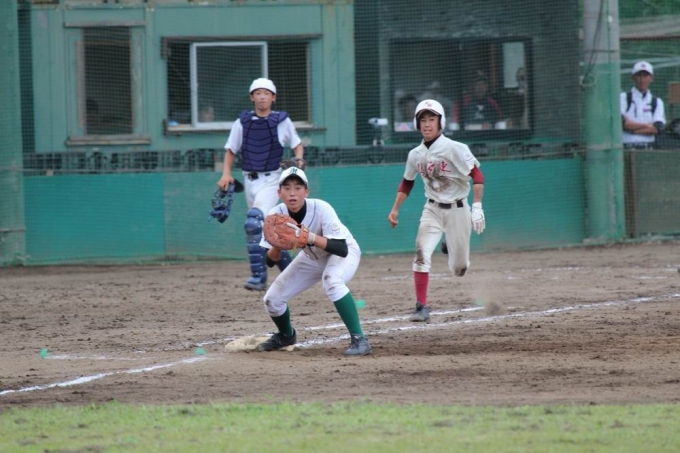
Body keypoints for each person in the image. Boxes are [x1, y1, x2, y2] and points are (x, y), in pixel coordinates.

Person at [387, 99, 486, 322]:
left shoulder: (455, 148)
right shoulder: (415, 154)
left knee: (459, 268)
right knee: (421, 256)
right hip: (431, 209)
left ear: (440, 123)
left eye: (432, 119)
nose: (427, 124)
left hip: (458, 209)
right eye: (423, 120)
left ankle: (449, 246)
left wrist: (477, 206)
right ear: (417, 124)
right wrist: (395, 209)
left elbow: (477, 176)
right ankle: (421, 307)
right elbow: (407, 182)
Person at [255, 167, 371, 356]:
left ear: (306, 191)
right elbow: (268, 261)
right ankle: (286, 335)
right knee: (272, 299)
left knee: (332, 280)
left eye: (298, 187)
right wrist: (277, 244)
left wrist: (308, 237)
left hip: (343, 252)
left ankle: (360, 340)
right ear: (279, 192)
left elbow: (341, 249)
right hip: (311, 256)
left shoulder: (321, 208)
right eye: (287, 188)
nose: (292, 193)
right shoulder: (275, 215)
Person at [217, 78, 305, 291]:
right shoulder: (242, 122)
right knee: (265, 230)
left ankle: (258, 277)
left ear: (273, 97)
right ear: (252, 97)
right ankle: (291, 273)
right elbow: (231, 149)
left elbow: (297, 145)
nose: (262, 97)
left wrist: (299, 161)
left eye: (266, 93)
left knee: (253, 222)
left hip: (272, 178)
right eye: (258, 93)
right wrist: (226, 174)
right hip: (249, 179)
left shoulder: (281, 121)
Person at [621, 61, 666, 149]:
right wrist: (647, 125)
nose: (642, 80)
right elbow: (622, 124)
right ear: (633, 77)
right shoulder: (623, 97)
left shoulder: (657, 101)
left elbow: (658, 128)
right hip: (626, 146)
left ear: (651, 78)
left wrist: (632, 130)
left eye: (645, 76)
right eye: (639, 75)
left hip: (649, 147)